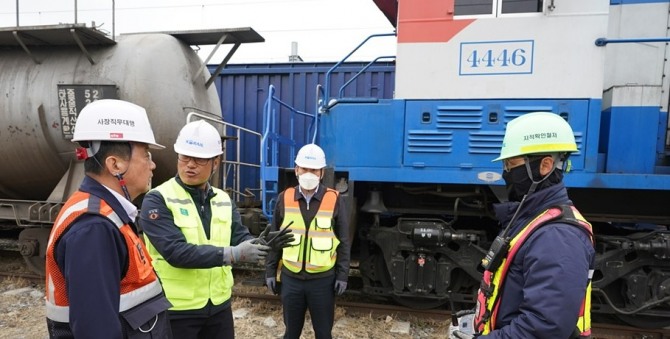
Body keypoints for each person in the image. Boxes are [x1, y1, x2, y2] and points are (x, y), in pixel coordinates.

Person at [139, 119, 292, 339]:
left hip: (219, 308)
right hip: (176, 310)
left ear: (216, 163)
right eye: (184, 157)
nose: (190, 164)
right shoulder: (157, 199)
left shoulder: (223, 199)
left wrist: (262, 245)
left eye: (199, 159)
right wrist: (233, 254)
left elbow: (239, 236)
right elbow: (176, 252)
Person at [451, 112, 596, 339]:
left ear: (545, 165)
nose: (506, 173)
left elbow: (543, 327)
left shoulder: (558, 237)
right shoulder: (534, 220)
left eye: (512, 164)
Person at [45, 99, 173, 338]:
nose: (153, 165)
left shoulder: (106, 214)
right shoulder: (94, 228)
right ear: (115, 164)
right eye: (146, 155)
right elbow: (96, 330)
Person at [264, 143, 351, 339]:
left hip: (322, 282)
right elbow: (274, 240)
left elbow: (344, 241)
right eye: (304, 168)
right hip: (291, 280)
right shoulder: (283, 198)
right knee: (291, 333)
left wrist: (342, 275)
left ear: (321, 172)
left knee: (323, 333)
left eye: (313, 169)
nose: (308, 173)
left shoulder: (335, 199)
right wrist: (270, 271)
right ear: (296, 170)